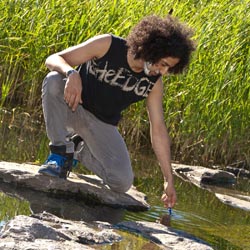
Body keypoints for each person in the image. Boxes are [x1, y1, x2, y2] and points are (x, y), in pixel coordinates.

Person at [38, 14, 196, 209]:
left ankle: (78, 149)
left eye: (169, 68)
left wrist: (168, 179)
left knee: (121, 182)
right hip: (73, 107)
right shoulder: (107, 45)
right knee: (54, 80)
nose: (163, 71)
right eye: (163, 64)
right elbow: (54, 58)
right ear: (151, 48)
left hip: (101, 125)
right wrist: (71, 73)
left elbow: (158, 129)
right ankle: (60, 154)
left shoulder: (153, 83)